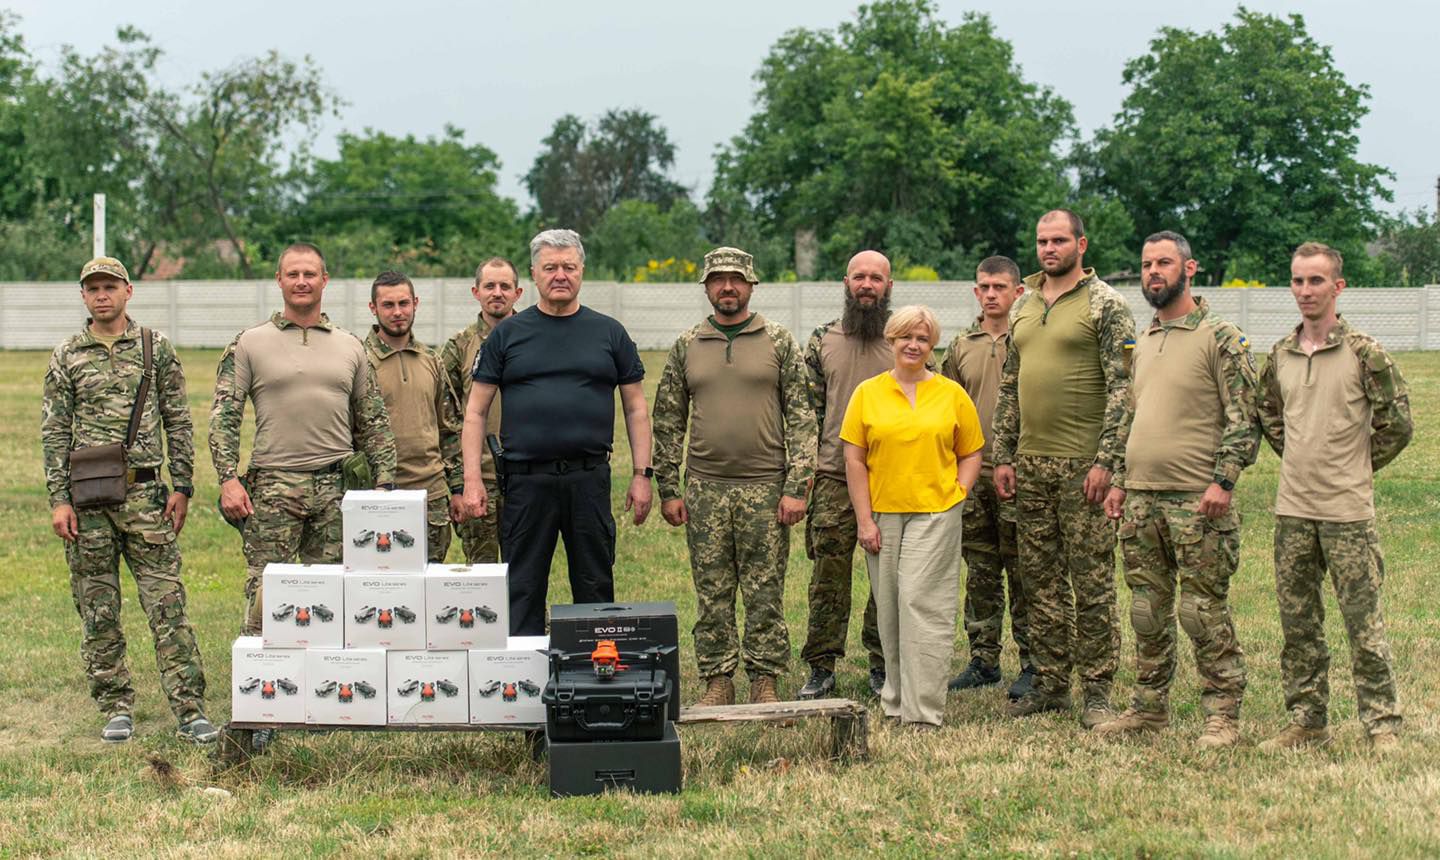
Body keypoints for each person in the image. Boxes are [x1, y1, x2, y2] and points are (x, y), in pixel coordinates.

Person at [42, 256, 216, 744]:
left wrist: (182, 486)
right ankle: (115, 706)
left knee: (167, 604)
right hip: (87, 500)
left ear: (128, 291)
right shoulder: (67, 354)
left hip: (145, 496)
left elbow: (177, 420)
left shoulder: (154, 348)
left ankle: (190, 709)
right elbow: (54, 432)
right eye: (93, 288)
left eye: (110, 286)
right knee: (97, 607)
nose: (102, 295)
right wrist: (60, 500)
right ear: (83, 296)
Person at [1095, 232, 1259, 748]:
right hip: (1141, 498)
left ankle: (1222, 714)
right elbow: (1130, 417)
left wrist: (1224, 480)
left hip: (1197, 498)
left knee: (1201, 610)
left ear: (1190, 269)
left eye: (1164, 263)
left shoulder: (1220, 336)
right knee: (1146, 609)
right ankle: (1148, 709)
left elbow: (1245, 416)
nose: (1153, 272)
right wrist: (1120, 482)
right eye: (1146, 264)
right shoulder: (1141, 342)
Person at [1256, 242, 1412, 754]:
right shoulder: (1280, 353)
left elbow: (1397, 424)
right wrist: (1300, 456)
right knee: (1299, 625)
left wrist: (1356, 467)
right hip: (1293, 511)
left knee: (1363, 626)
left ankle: (1382, 724)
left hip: (1347, 512)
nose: (1305, 291)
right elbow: (1270, 416)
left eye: (1316, 281)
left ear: (1337, 287)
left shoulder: (1366, 353)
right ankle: (1307, 720)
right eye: (1298, 281)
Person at [462, 229, 653, 636]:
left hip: (588, 479)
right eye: (551, 267)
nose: (560, 275)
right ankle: (521, 682)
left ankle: (596, 678)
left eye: (569, 266)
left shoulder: (610, 333)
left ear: (582, 271)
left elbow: (636, 407)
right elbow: (475, 412)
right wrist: (473, 480)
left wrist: (642, 475)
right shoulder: (507, 335)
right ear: (534, 274)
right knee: (523, 587)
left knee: (595, 584)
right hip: (526, 482)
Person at [653, 247, 817, 706]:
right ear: (706, 287)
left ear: (751, 285)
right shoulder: (688, 344)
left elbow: (803, 418)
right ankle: (718, 678)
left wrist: (796, 487)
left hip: (766, 489)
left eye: (737, 279)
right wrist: (669, 488)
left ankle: (765, 677)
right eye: (718, 280)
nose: (728, 287)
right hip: (705, 488)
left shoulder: (780, 341)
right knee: (712, 590)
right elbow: (668, 421)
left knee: (765, 590)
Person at [992, 209, 1135, 728]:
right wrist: (1003, 455)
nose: (1049, 249)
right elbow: (1011, 384)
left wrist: (1107, 462)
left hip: (1083, 468)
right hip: (1030, 464)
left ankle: (1097, 689)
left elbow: (1124, 387)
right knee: (1040, 580)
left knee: (1091, 579)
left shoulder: (1107, 306)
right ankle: (1051, 682)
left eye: (1059, 240)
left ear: (1081, 243)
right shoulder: (1025, 306)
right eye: (1041, 241)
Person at [210, 242, 397, 635]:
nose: (301, 282)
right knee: (266, 591)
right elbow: (225, 416)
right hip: (274, 486)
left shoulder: (350, 346)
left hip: (337, 488)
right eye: (292, 274)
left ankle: (323, 681)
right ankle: (262, 683)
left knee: (332, 595)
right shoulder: (249, 342)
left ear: (324, 280)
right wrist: (228, 479)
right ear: (278, 280)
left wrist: (383, 484)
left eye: (309, 274)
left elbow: (373, 419)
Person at [841, 305, 985, 729]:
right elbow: (854, 460)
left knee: (921, 603)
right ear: (892, 340)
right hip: (883, 514)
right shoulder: (867, 393)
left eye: (922, 338)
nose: (913, 344)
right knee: (889, 608)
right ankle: (896, 700)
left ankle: (923, 712)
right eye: (905, 336)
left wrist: (958, 492)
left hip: (935, 512)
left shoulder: (951, 394)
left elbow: (972, 451)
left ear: (932, 344)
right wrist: (864, 520)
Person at [796, 250, 897, 700]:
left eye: (876, 278)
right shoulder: (822, 340)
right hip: (834, 476)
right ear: (846, 282)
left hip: (891, 479)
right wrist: (806, 476)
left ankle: (882, 663)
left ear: (889, 286)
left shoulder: (903, 340)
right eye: (860, 276)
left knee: (886, 578)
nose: (867, 284)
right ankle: (821, 666)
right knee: (828, 578)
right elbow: (807, 414)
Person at [940, 256, 1032, 699]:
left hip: (1020, 469)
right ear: (976, 293)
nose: (991, 294)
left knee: (1023, 567)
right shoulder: (961, 346)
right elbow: (946, 408)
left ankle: (1033, 658)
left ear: (1018, 292)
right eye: (984, 287)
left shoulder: (1031, 338)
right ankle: (983, 658)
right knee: (980, 568)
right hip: (973, 472)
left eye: (1000, 286)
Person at [365, 270, 464, 563]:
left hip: (430, 495)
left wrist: (456, 488)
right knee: (379, 586)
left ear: (415, 303)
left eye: (404, 303)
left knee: (428, 583)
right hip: (378, 494)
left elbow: (449, 428)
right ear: (374, 308)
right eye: (388, 305)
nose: (398, 312)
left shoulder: (432, 360)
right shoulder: (359, 361)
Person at [440, 257, 523, 563]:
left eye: (505, 286)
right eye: (489, 286)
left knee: (526, 574)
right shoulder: (458, 347)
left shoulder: (535, 338)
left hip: (526, 476)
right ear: (476, 292)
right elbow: (446, 419)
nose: (497, 292)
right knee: (481, 578)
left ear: (518, 292)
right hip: (480, 480)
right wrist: (459, 484)